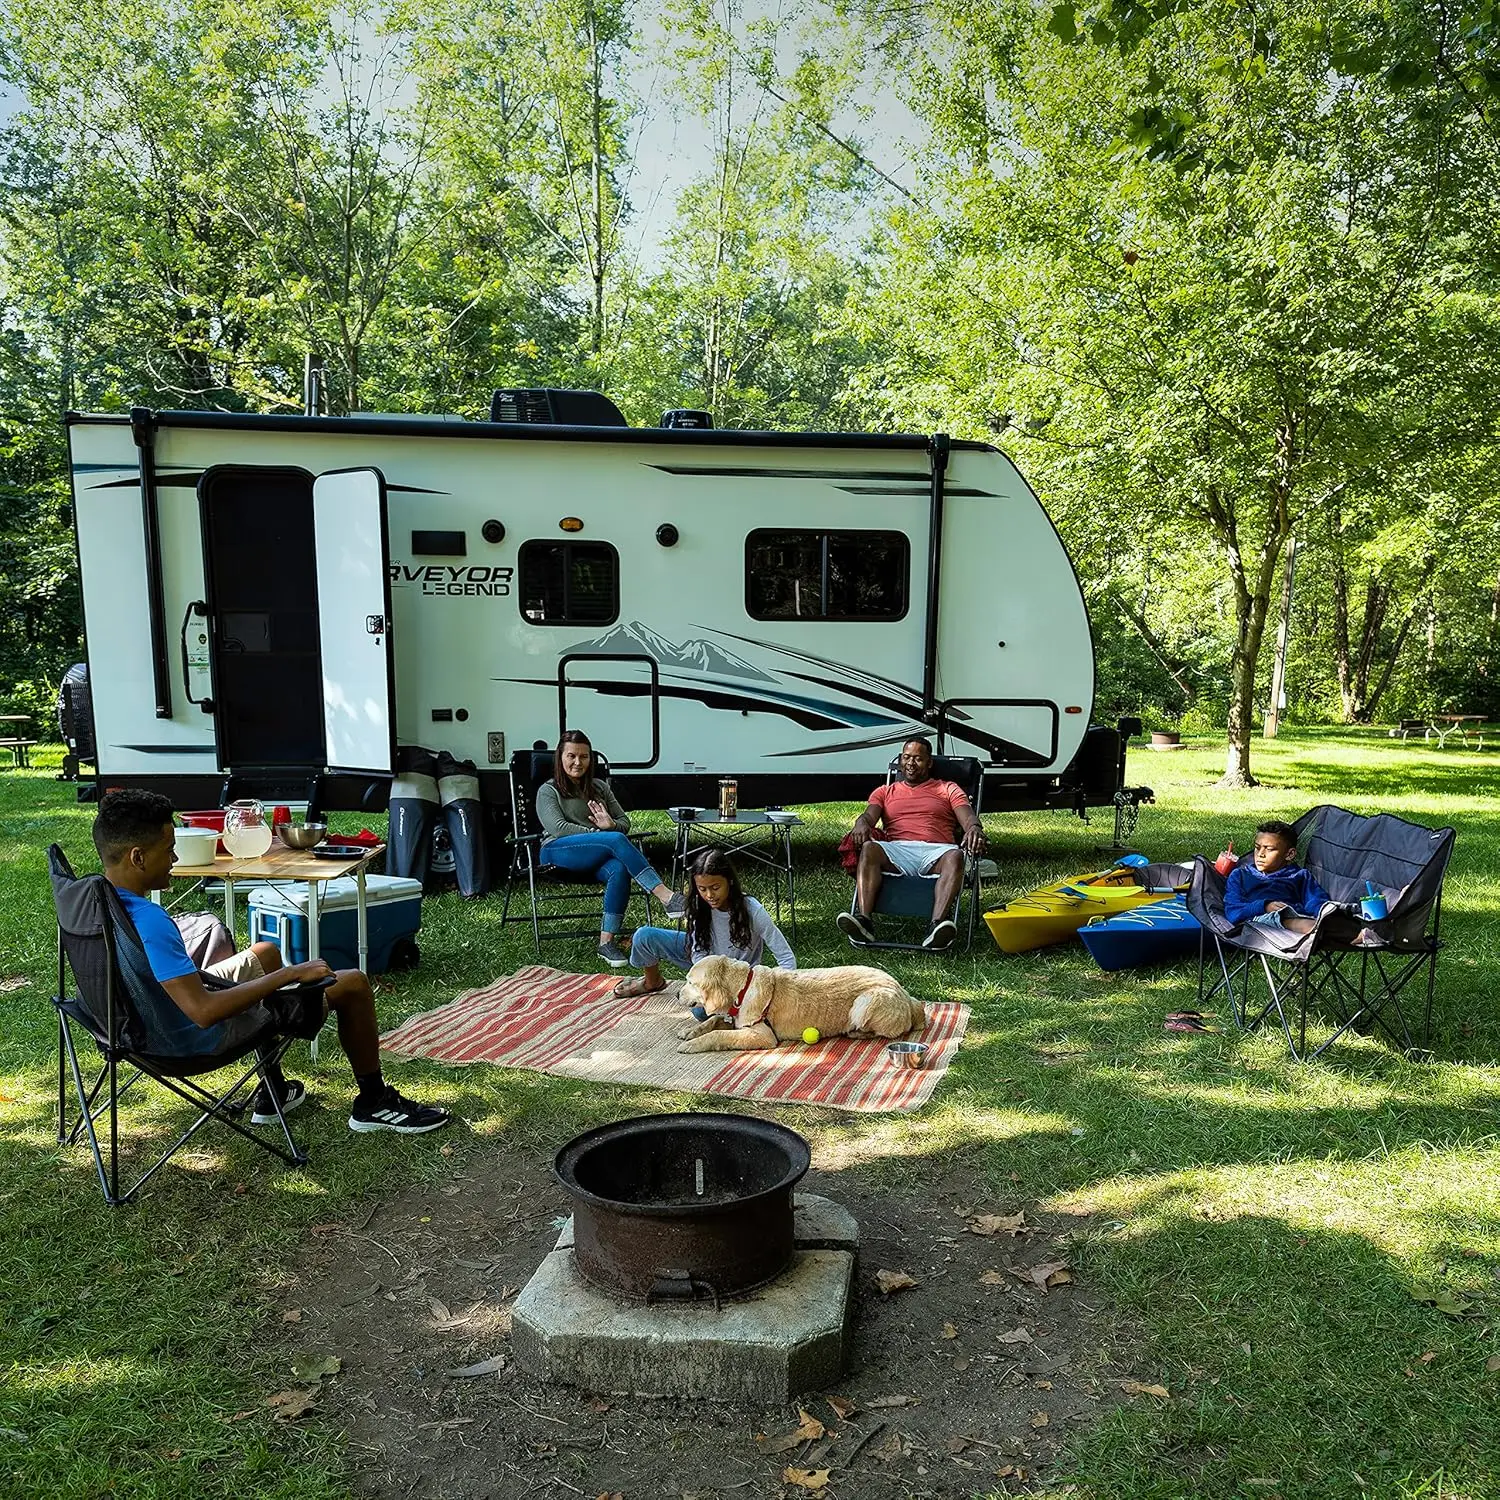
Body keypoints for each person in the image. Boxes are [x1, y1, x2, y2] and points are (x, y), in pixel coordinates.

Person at [93, 789, 451, 1135]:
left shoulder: (93, 902)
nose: (174, 859)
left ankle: (274, 1088)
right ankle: (374, 1102)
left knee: (263, 951)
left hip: (131, 1022)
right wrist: (287, 976)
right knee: (353, 982)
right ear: (138, 858)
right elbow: (203, 1011)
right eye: (169, 850)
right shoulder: (151, 921)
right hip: (185, 1040)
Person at [536, 729, 685, 967]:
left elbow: (624, 822)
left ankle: (606, 943)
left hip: (595, 855)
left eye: (584, 757)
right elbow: (559, 827)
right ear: (560, 757)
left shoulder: (599, 788)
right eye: (571, 756)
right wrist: (603, 834)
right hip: (557, 852)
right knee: (614, 840)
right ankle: (667, 897)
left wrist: (612, 824)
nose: (578, 762)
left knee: (618, 867)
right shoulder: (548, 791)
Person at [836, 736, 986, 950]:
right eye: (906, 758)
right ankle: (864, 921)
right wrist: (861, 823)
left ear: (929, 762)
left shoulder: (948, 788)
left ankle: (937, 926)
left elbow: (968, 817)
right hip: (898, 850)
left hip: (938, 851)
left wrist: (974, 829)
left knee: (956, 855)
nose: (910, 763)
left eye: (918, 759)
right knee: (869, 848)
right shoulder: (885, 792)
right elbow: (868, 817)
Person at [613, 849, 796, 999]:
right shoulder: (699, 905)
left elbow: (785, 955)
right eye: (702, 889)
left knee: (702, 1012)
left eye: (715, 888)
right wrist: (703, 978)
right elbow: (697, 951)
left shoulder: (752, 910)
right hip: (705, 964)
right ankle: (652, 982)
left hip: (734, 976)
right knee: (644, 936)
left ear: (730, 882)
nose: (709, 895)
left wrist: (786, 994)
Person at [1223, 820, 1335, 935]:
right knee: (1301, 923)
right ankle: (1325, 930)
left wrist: (1324, 912)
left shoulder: (1300, 875)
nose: (1261, 854)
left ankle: (1336, 928)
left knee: (1326, 919)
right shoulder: (1240, 875)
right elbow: (1233, 912)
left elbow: (1315, 901)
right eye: (1257, 847)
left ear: (1289, 854)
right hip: (1258, 922)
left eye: (1269, 849)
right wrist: (1265, 906)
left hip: (1297, 916)